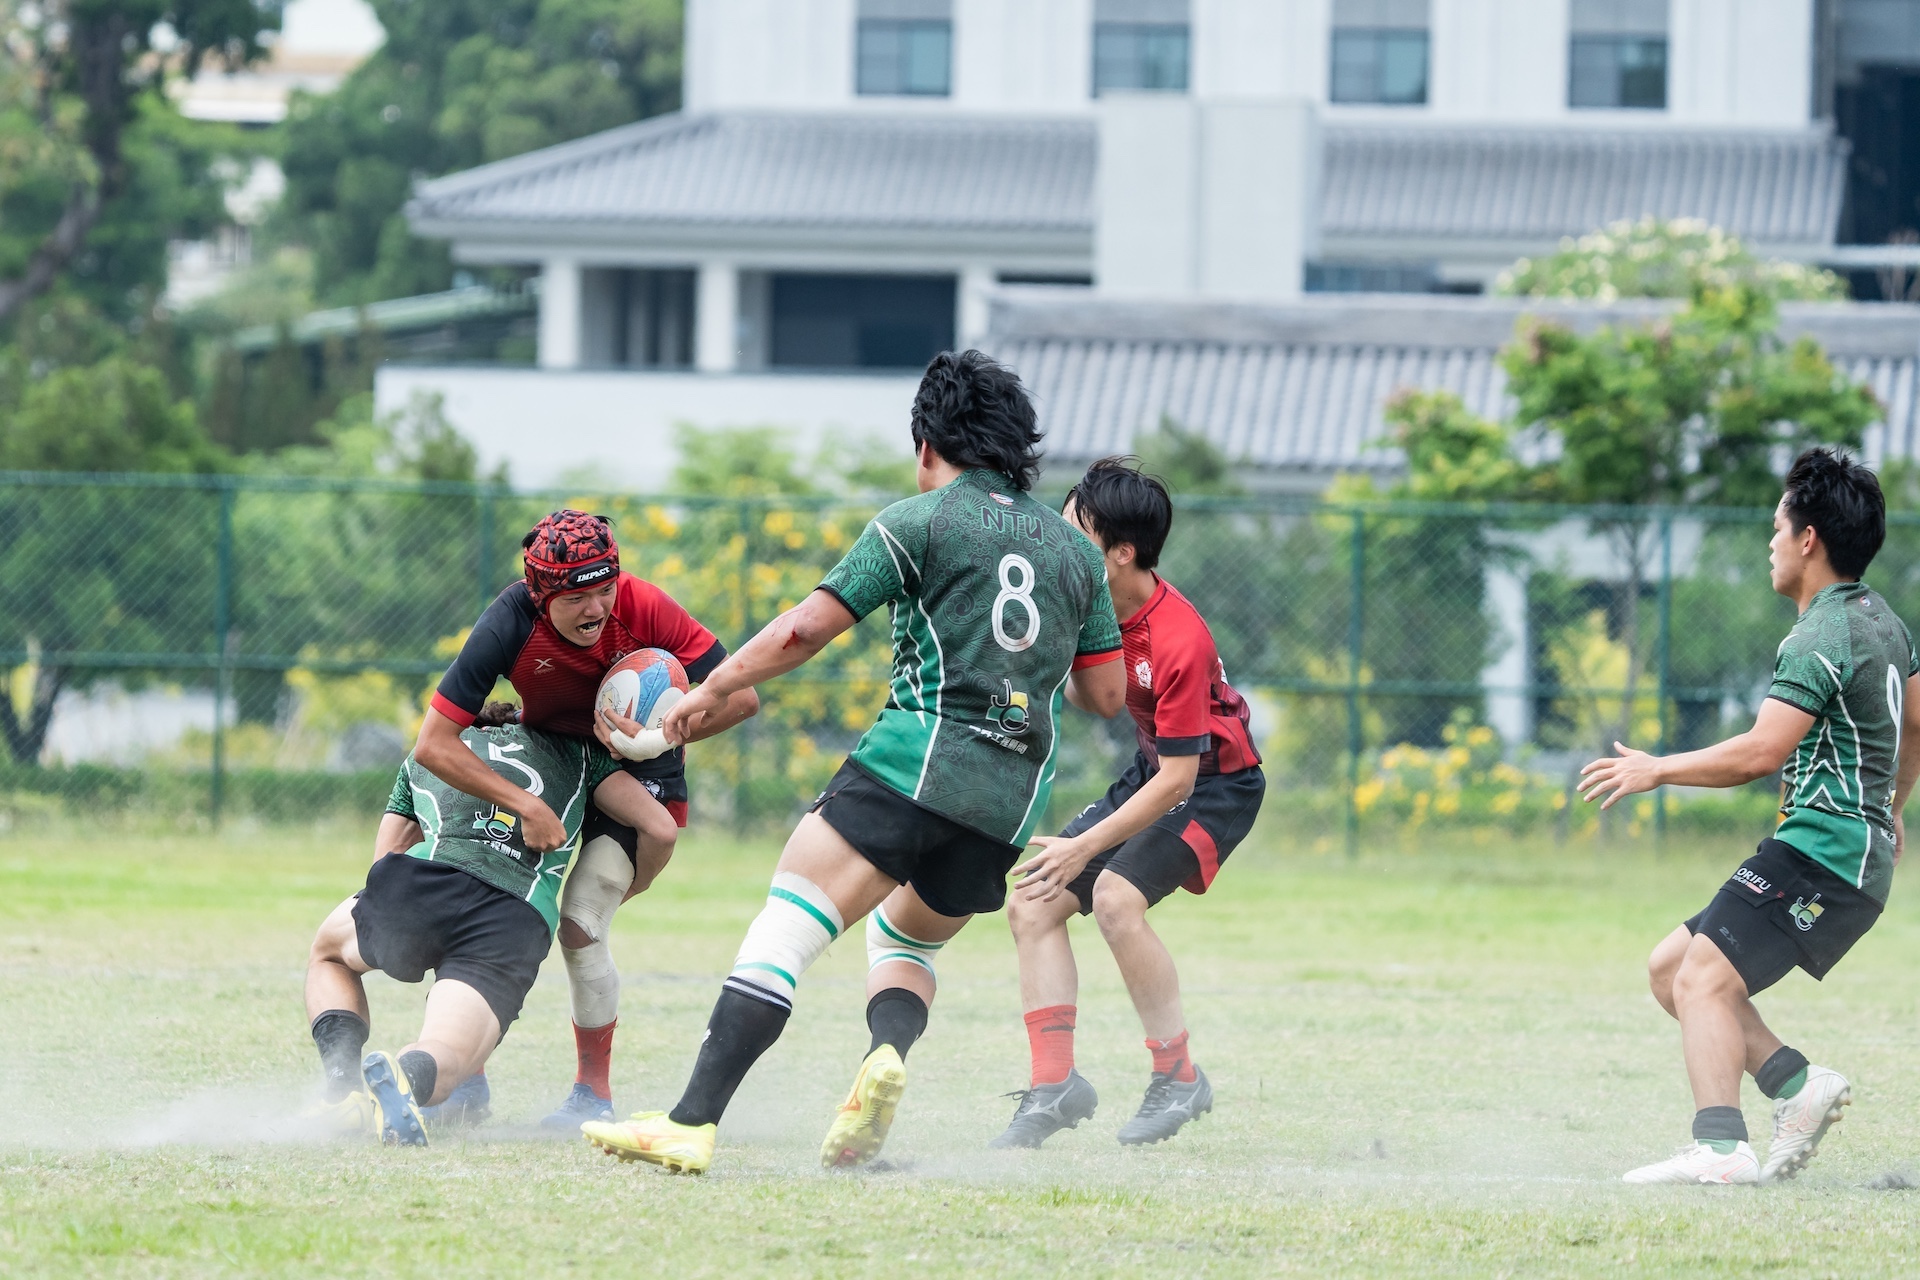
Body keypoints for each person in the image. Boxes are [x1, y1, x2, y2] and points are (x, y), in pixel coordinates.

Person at [579, 349, 1126, 1175]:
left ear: (927, 444)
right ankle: (886, 1055)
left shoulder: (920, 521)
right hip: (1006, 806)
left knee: (788, 922)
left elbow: (804, 630)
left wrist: (712, 687)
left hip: (913, 766)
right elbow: (1106, 695)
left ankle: (690, 1121)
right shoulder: (1077, 554)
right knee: (903, 938)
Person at [1581, 447, 1920, 1185]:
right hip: (1841, 850)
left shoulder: (1820, 636)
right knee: (1671, 969)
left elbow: (1762, 752)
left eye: (1777, 526)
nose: (1771, 542)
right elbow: (1917, 726)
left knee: (1703, 979)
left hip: (1824, 853)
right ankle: (1796, 1084)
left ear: (1808, 538)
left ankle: (1721, 1148)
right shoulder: (1886, 623)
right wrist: (1890, 807)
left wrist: (1657, 769)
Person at [416, 510, 759, 1129]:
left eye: (605, 589)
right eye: (576, 597)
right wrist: (525, 804)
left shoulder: (644, 605)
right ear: (539, 595)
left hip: (637, 773)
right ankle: (464, 1076)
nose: (597, 608)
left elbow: (743, 697)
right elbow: (433, 744)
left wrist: (655, 739)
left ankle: (591, 1095)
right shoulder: (509, 619)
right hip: (547, 765)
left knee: (580, 924)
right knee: (485, 902)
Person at [998, 458, 1265, 1149]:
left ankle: (1178, 1076)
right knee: (1032, 902)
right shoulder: (1092, 602)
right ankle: (1054, 1085)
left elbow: (1180, 781)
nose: (1060, 542)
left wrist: (1084, 846)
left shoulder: (1179, 638)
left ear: (1121, 552)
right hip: (1156, 771)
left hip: (1216, 785)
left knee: (1115, 899)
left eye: (1076, 531)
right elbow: (1101, 700)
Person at [304, 704, 630, 1145]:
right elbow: (657, 827)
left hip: (422, 887)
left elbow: (386, 857)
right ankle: (407, 1076)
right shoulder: (580, 754)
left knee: (330, 955)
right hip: (511, 914)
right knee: (446, 1057)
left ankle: (343, 1088)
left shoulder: (428, 753)